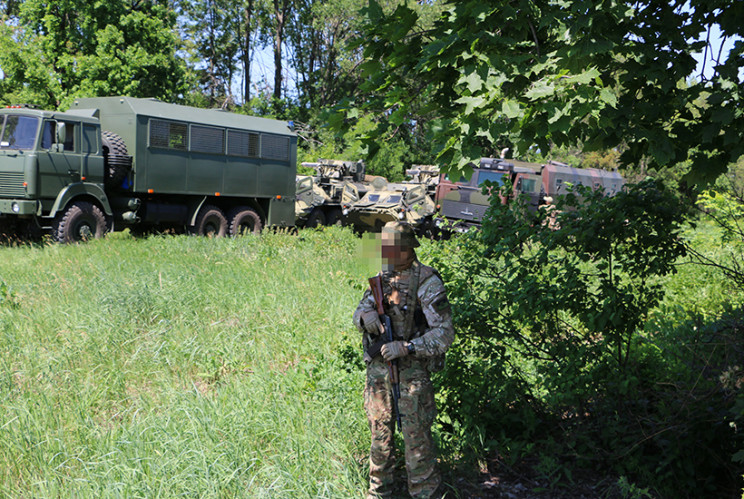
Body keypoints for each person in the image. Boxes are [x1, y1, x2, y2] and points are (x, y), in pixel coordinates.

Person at [353, 221, 455, 499]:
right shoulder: (382, 278)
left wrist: (408, 347)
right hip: (379, 374)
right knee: (380, 438)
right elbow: (359, 312)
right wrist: (366, 317)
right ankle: (379, 492)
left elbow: (445, 334)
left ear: (407, 248)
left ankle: (424, 494)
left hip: (411, 376)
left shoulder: (427, 282)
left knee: (416, 442)